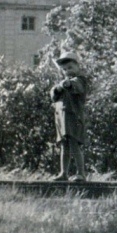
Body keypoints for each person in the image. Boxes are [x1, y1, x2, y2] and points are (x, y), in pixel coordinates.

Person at [51, 51, 88, 182]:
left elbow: (77, 86)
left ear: (78, 66)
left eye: (70, 68)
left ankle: (81, 173)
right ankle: (63, 173)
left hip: (73, 117)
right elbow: (53, 96)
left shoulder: (80, 80)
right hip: (62, 119)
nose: (67, 71)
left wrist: (67, 84)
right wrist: (57, 89)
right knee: (64, 145)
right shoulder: (62, 83)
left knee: (74, 144)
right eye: (65, 69)